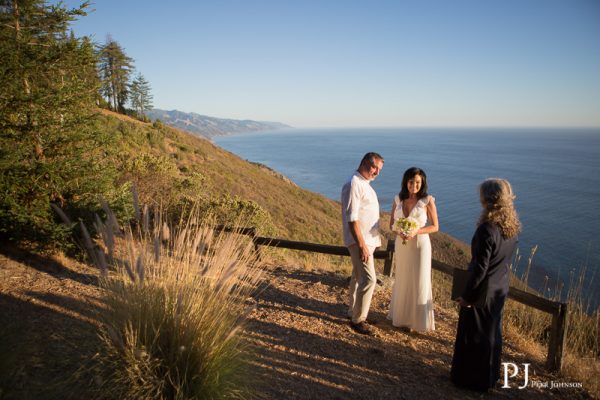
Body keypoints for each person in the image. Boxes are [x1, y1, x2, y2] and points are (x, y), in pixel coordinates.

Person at [451, 178, 521, 392]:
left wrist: (467, 296)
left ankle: (468, 379)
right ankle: (488, 377)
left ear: (486, 199)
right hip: (499, 289)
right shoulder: (511, 227)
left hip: (482, 293)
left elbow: (480, 269)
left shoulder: (486, 230)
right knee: (491, 334)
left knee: (473, 335)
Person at [388, 167, 439, 332]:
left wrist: (416, 231)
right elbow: (391, 225)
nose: (414, 185)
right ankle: (401, 317)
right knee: (403, 277)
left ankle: (416, 322)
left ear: (422, 182)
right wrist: (400, 231)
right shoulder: (397, 199)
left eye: (417, 182)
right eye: (411, 181)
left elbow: (435, 227)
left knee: (419, 279)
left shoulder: (427, 200)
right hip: (402, 245)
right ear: (406, 182)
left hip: (420, 245)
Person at [341, 152, 384, 335]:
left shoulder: (363, 183)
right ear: (365, 163)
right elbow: (352, 219)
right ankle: (359, 320)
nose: (376, 173)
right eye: (374, 168)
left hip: (367, 241)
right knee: (369, 280)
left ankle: (353, 312)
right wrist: (362, 244)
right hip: (360, 242)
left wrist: (373, 240)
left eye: (379, 170)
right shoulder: (354, 184)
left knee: (358, 278)